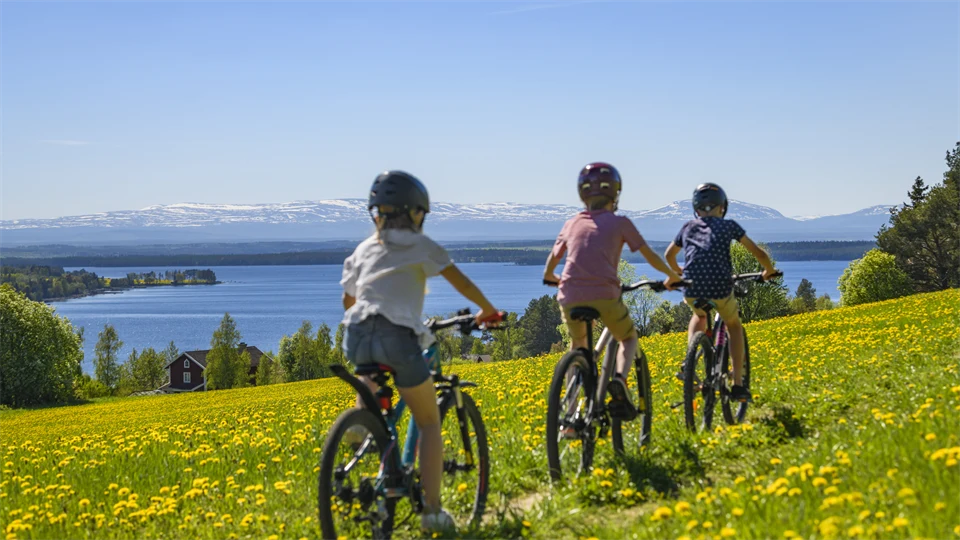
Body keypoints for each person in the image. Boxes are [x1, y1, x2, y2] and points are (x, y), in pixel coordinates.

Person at [340, 170, 501, 533]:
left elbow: (348, 298)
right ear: (417, 213)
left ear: (376, 213)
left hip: (357, 331)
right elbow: (460, 280)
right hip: (399, 335)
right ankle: (431, 513)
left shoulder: (364, 249)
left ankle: (360, 420)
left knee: (371, 380)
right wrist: (487, 310)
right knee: (428, 421)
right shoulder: (420, 245)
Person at [543, 162, 683, 424]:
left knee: (578, 347)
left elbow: (553, 259)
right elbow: (649, 254)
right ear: (616, 194)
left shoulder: (572, 223)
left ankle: (571, 416)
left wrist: (551, 277)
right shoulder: (620, 223)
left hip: (569, 295)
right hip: (606, 295)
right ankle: (619, 380)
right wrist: (672, 276)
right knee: (628, 337)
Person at [663, 182, 779, 402]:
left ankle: (690, 359)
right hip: (720, 286)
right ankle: (737, 385)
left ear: (695, 208)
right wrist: (769, 271)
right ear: (722, 207)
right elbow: (759, 253)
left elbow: (669, 255)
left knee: (698, 314)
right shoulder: (729, 226)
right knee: (734, 325)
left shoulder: (688, 227)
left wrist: (678, 271)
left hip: (692, 286)